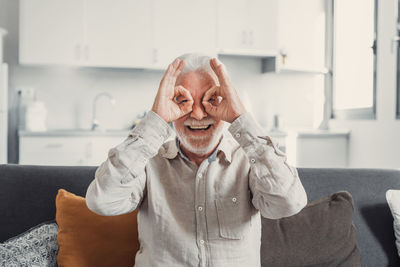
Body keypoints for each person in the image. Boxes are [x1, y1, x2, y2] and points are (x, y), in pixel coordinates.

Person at [85, 53, 308, 267]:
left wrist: (241, 118)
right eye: (183, 100)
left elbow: (288, 202)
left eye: (211, 99)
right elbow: (103, 201)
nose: (198, 114)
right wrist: (156, 120)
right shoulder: (147, 161)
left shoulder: (251, 162)